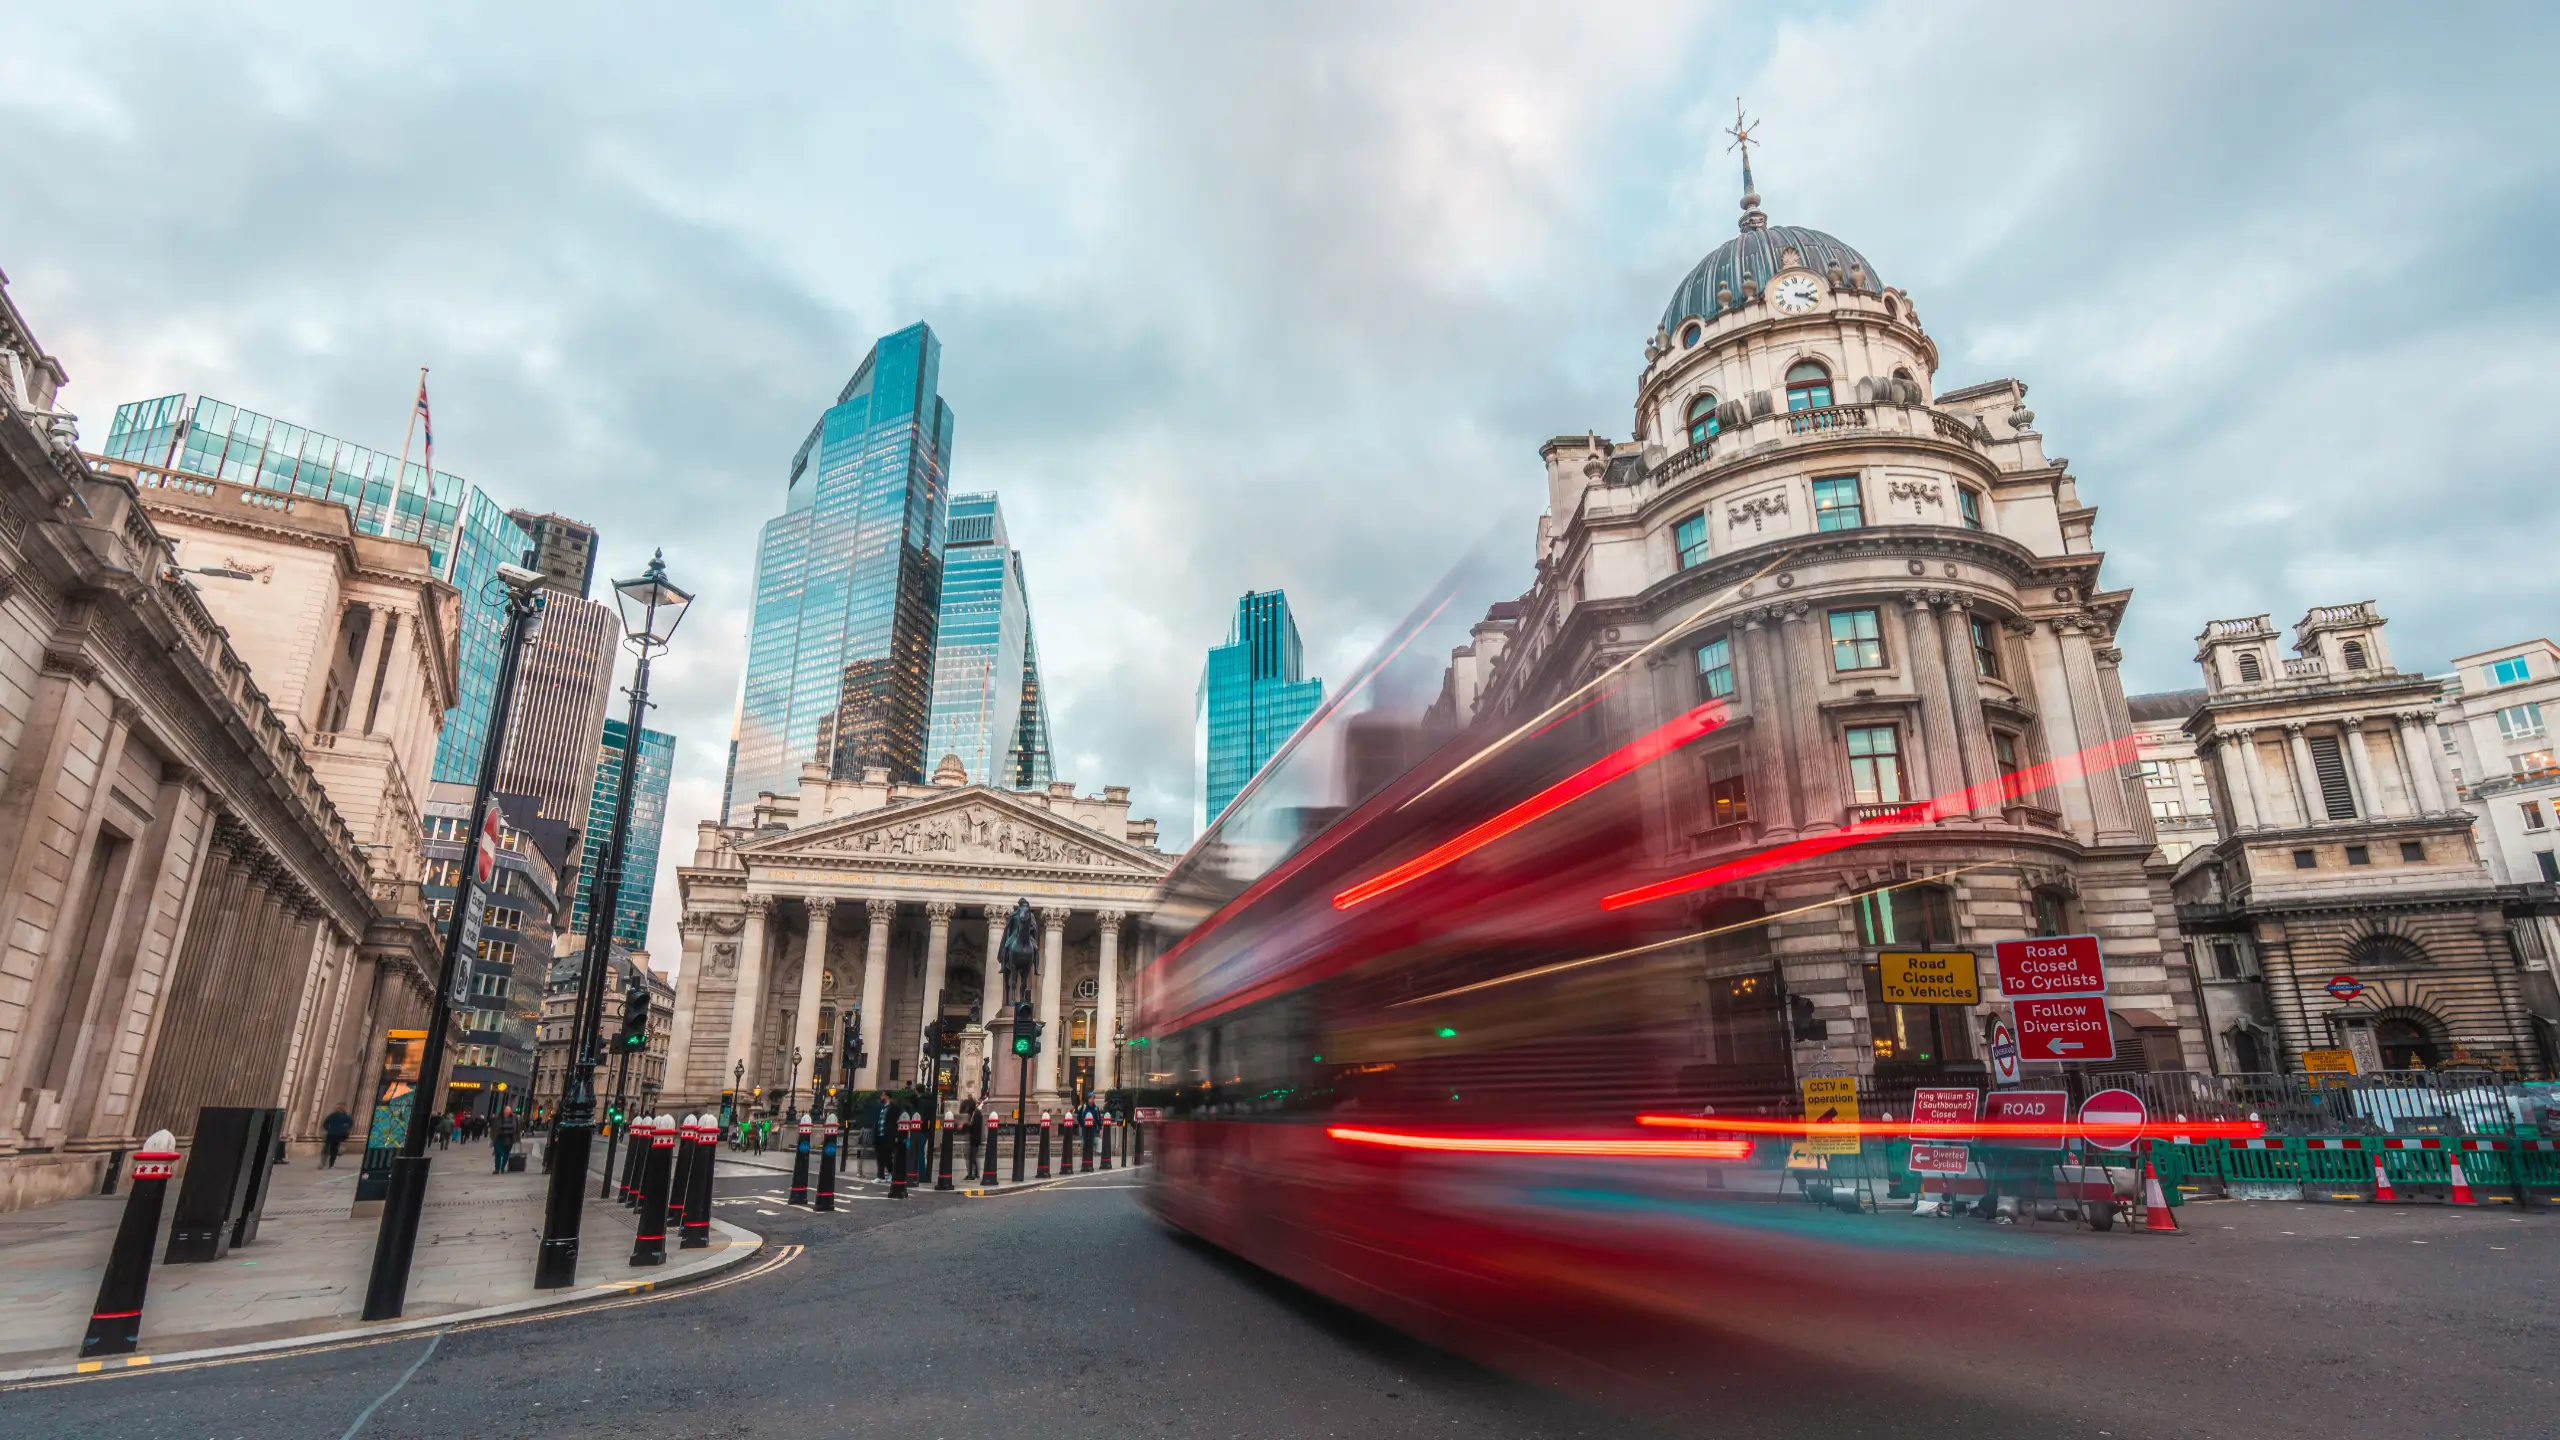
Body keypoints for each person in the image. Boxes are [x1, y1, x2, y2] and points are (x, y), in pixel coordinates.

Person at [491, 1107, 520, 1173]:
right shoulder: (498, 1118)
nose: (507, 1112)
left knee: (506, 1154)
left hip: (509, 1139)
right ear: (503, 1111)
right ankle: (497, 1168)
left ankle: (502, 1167)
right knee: (498, 1153)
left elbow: (517, 1129)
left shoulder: (514, 1118)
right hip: (499, 1138)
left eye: (508, 1110)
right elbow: (494, 1128)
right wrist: (493, 1137)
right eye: (506, 1110)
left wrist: (517, 1138)